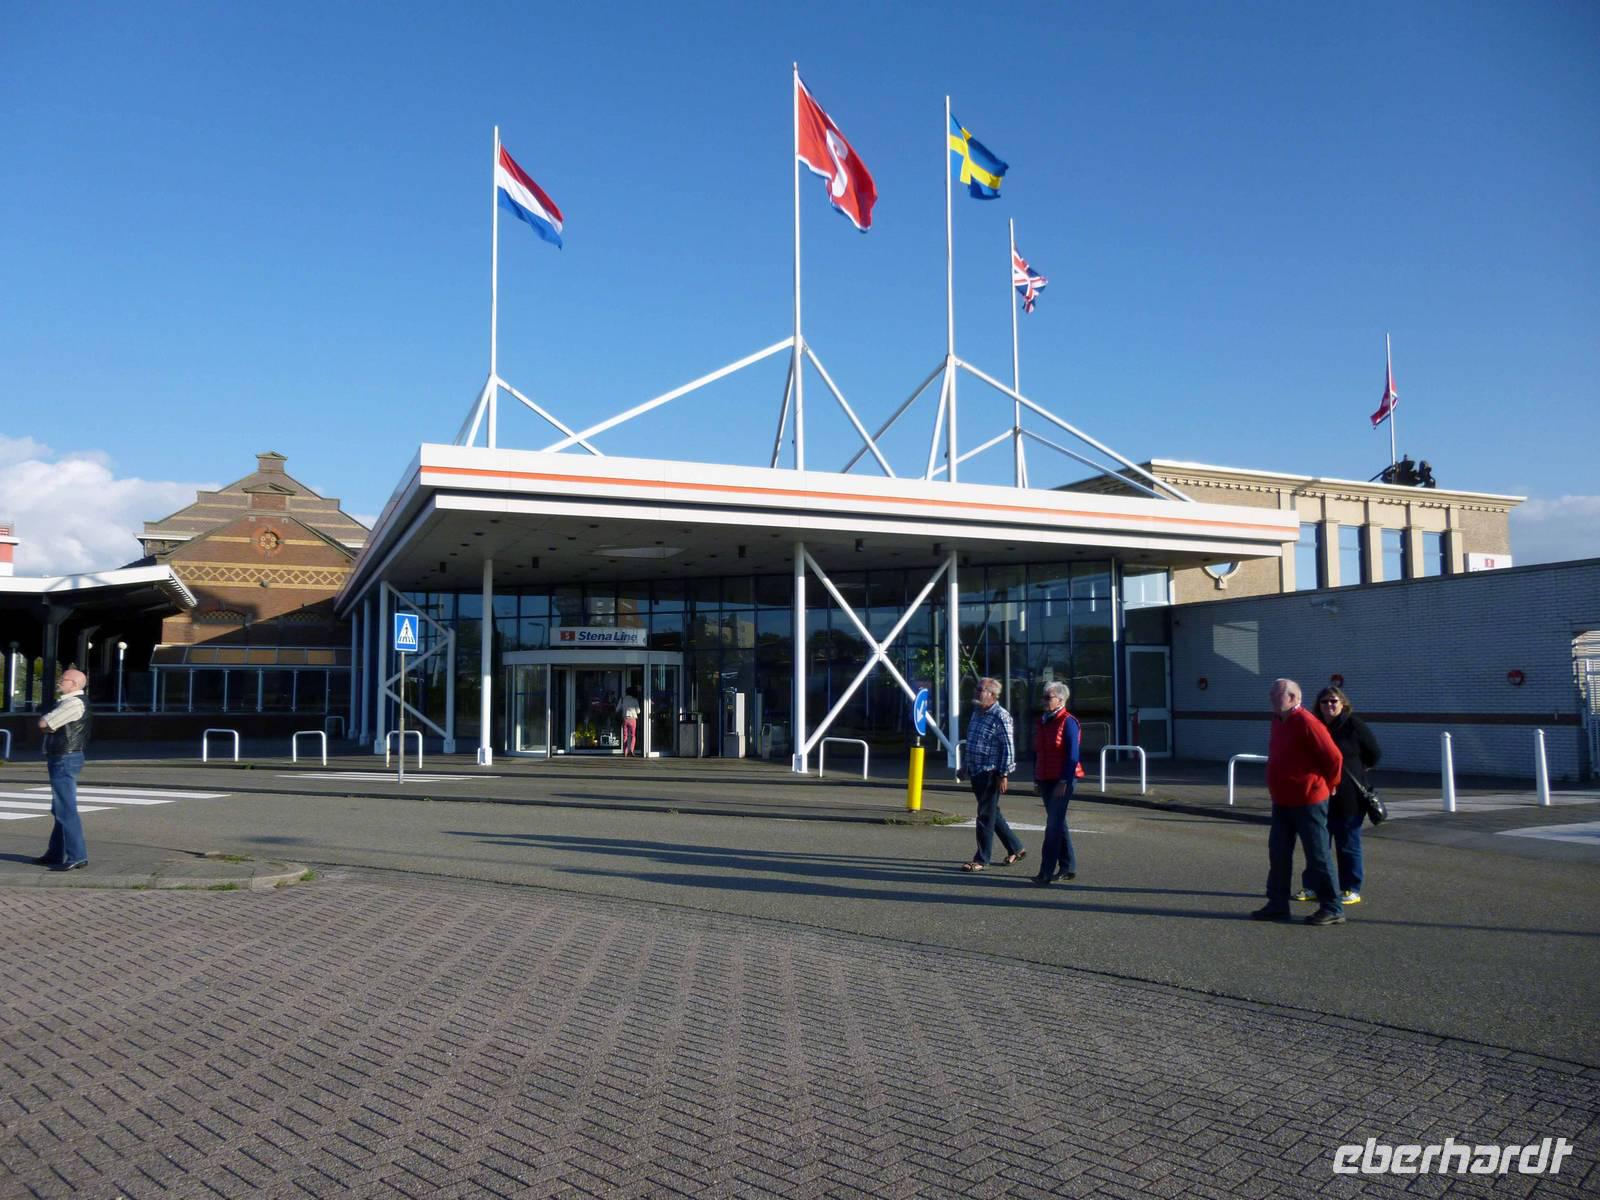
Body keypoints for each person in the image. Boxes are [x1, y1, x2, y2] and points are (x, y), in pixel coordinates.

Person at [1251, 677, 1344, 926]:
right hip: (1282, 800)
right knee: (1279, 853)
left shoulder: (1307, 722)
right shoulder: (1277, 721)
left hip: (1308, 800)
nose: (1271, 698)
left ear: (1292, 698)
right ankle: (1277, 904)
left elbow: (1334, 757)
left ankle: (1332, 907)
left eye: (1276, 694)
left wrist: (1330, 784)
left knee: (1318, 854)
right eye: (1271, 694)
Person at [1296, 686, 1381, 906]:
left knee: (1347, 844)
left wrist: (1358, 768)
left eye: (1333, 701)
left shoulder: (1354, 725)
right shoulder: (1314, 725)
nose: (1329, 705)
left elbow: (1374, 753)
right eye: (1324, 702)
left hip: (1348, 796)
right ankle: (1314, 885)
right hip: (1319, 794)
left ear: (1343, 703)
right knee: (1317, 844)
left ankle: (1350, 887)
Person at [960, 677, 1024, 872]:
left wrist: (1003, 774)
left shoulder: (1001, 716)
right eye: (977, 688)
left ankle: (981, 859)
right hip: (976, 770)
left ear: (993, 695)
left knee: (985, 816)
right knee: (991, 812)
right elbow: (972, 742)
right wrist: (965, 766)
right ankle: (1016, 848)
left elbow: (1008, 748)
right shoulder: (977, 713)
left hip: (991, 772)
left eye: (981, 690)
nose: (977, 692)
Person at [34, 668, 92, 872]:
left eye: (63, 679)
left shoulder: (74, 702)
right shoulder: (66, 702)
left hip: (65, 757)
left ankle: (78, 856)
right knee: (60, 807)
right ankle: (55, 852)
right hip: (63, 756)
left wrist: (47, 726)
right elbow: (48, 724)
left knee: (66, 808)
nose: (59, 681)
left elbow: (44, 722)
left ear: (74, 684)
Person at [1031, 681, 1082, 887]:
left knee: (1053, 825)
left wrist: (1064, 781)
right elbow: (1039, 752)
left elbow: (1072, 755)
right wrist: (1036, 778)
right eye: (1043, 697)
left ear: (1060, 700)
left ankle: (1045, 872)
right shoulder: (1043, 721)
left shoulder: (1068, 722)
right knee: (1058, 823)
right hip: (1045, 777)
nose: (1044, 701)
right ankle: (1068, 866)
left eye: (1048, 697)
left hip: (1062, 779)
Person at [618, 687, 642, 756]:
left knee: (625, 735)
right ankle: (631, 750)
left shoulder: (622, 699)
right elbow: (638, 711)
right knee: (633, 735)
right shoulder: (635, 700)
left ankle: (625, 752)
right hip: (632, 719)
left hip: (625, 718)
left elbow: (617, 709)